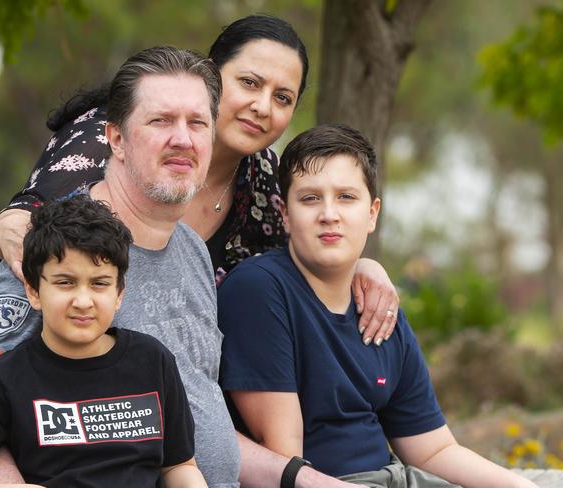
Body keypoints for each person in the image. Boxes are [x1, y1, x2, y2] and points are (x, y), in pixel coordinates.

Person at [0, 14, 399, 477]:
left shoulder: (208, 236)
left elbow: (196, 417)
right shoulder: (63, 251)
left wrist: (360, 266)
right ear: (114, 137)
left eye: (197, 123)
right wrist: (15, 223)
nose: (183, 137)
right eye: (162, 121)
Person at [217, 124, 537, 488]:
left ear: (372, 213)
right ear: (285, 216)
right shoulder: (259, 290)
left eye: (346, 197)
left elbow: (432, 450)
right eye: (309, 199)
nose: (329, 214)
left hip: (401, 477)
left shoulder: (378, 306)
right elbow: (285, 460)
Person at [0, 196, 207, 488]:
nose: (83, 301)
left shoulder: (153, 360)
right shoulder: (3, 378)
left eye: (99, 283)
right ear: (34, 290)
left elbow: (180, 467)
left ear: (119, 294)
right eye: (65, 282)